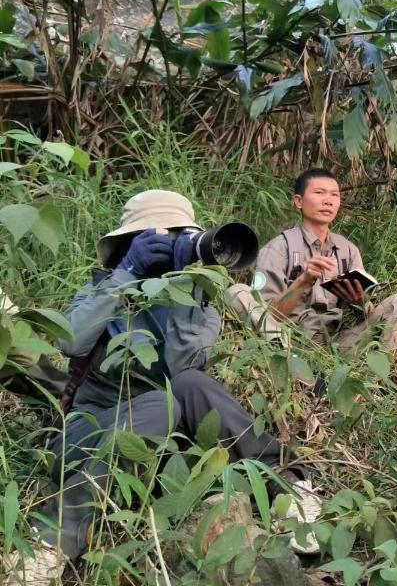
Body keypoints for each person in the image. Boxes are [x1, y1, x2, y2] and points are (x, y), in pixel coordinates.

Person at [3, 191, 321, 586]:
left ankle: (288, 485)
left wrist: (186, 294)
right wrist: (128, 274)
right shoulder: (102, 288)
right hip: (88, 436)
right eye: (160, 237)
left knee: (189, 384)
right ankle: (51, 541)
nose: (170, 245)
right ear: (129, 243)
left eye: (179, 237)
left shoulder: (200, 304)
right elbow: (71, 342)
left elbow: (183, 367)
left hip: (161, 450)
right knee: (159, 405)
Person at [229, 168, 397, 353]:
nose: (328, 200)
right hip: (289, 340)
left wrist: (361, 301)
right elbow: (268, 316)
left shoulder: (347, 250)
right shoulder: (278, 248)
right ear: (299, 201)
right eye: (319, 193)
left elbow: (367, 314)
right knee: (237, 293)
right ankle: (288, 361)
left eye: (334, 195)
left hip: (338, 344)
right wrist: (303, 282)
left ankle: (378, 368)